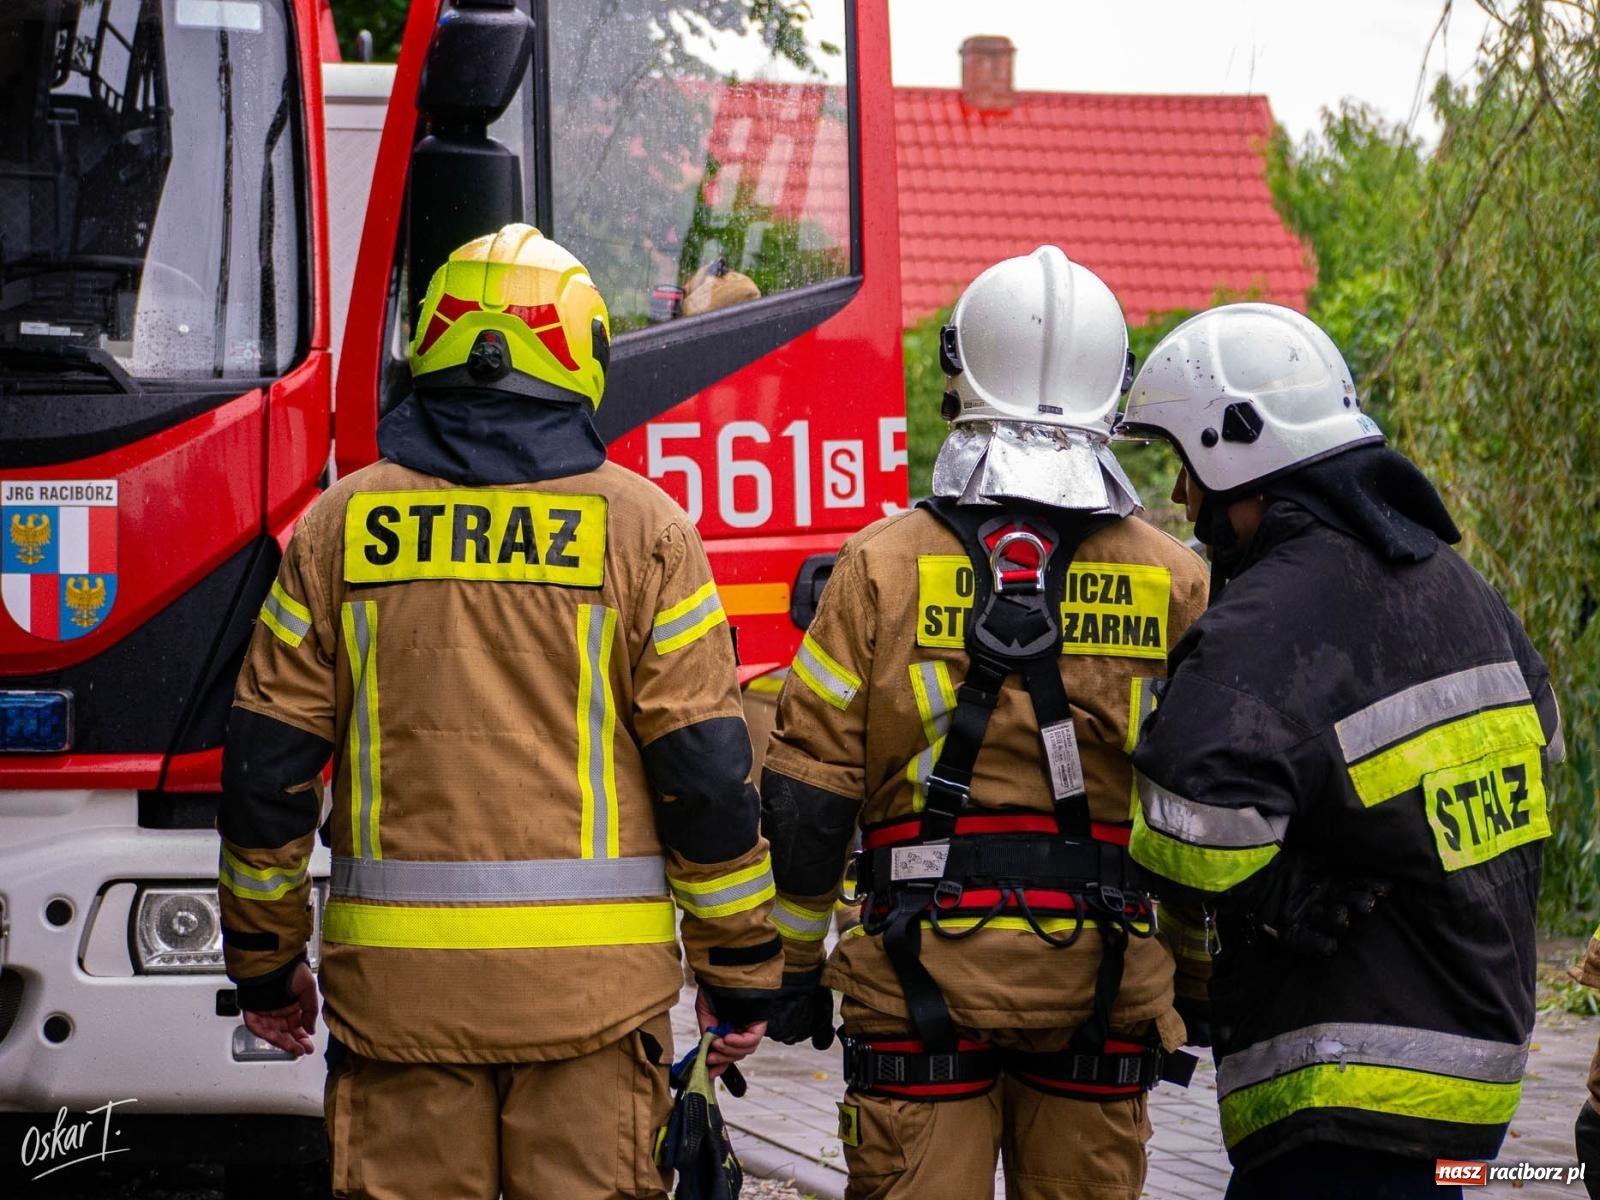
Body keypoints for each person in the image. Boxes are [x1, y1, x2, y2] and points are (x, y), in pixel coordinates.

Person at [216, 223, 779, 1200]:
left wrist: (267, 967)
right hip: (596, 1011)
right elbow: (705, 776)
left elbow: (267, 770)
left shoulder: (339, 526)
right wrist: (739, 974)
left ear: (430, 347)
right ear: (582, 357)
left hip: (398, 1010)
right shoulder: (643, 531)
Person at [760, 246, 1209, 1200]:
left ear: (959, 372)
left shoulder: (879, 566)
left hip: (916, 986)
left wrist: (792, 967)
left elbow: (807, 795)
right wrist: (1202, 979)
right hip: (1105, 982)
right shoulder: (1177, 582)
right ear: (1114, 389)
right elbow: (1209, 803)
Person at [1121, 302, 1564, 1199]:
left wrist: (1283, 891)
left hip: (1341, 1090)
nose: (1181, 501)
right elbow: (1539, 757)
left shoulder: (1265, 625)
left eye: (1186, 468)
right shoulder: (1460, 587)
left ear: (1235, 451)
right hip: (1473, 1084)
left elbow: (1186, 837)